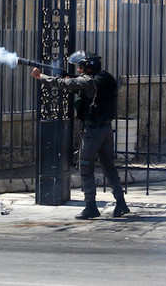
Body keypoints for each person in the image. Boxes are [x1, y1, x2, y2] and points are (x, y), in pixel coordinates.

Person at [30, 51, 129, 220]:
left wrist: (41, 77)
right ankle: (121, 203)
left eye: (81, 67)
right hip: (105, 129)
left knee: (85, 167)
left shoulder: (88, 81)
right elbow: (81, 82)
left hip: (92, 131)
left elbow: (63, 84)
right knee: (109, 168)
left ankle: (91, 207)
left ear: (88, 67)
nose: (80, 69)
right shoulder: (106, 77)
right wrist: (71, 77)